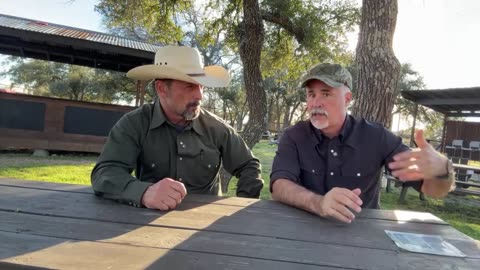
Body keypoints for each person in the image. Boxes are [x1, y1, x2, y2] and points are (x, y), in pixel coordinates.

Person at [270, 63, 455, 223]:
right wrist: (319, 203)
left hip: (363, 234)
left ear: (347, 99)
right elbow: (279, 186)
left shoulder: (376, 137)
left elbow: (433, 190)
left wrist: (443, 170)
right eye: (311, 94)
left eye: (326, 94)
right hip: (302, 230)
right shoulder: (294, 136)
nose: (315, 103)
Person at [91, 46, 264, 210]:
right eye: (190, 86)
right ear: (161, 88)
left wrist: (241, 207)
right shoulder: (135, 124)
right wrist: (144, 192)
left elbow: (249, 166)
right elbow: (105, 173)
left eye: (201, 85)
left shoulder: (217, 128)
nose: (200, 95)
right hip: (146, 226)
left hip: (204, 229)